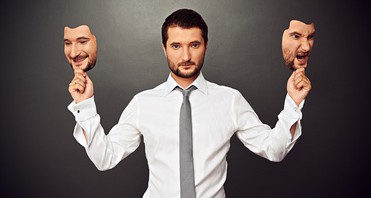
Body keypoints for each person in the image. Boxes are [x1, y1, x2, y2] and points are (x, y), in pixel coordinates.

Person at [67, 9, 311, 197]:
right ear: (164, 49)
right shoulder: (143, 103)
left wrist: (293, 102)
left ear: (205, 45)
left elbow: (274, 150)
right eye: (176, 46)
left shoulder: (230, 100)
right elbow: (104, 158)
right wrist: (86, 106)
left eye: (194, 45)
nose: (185, 56)